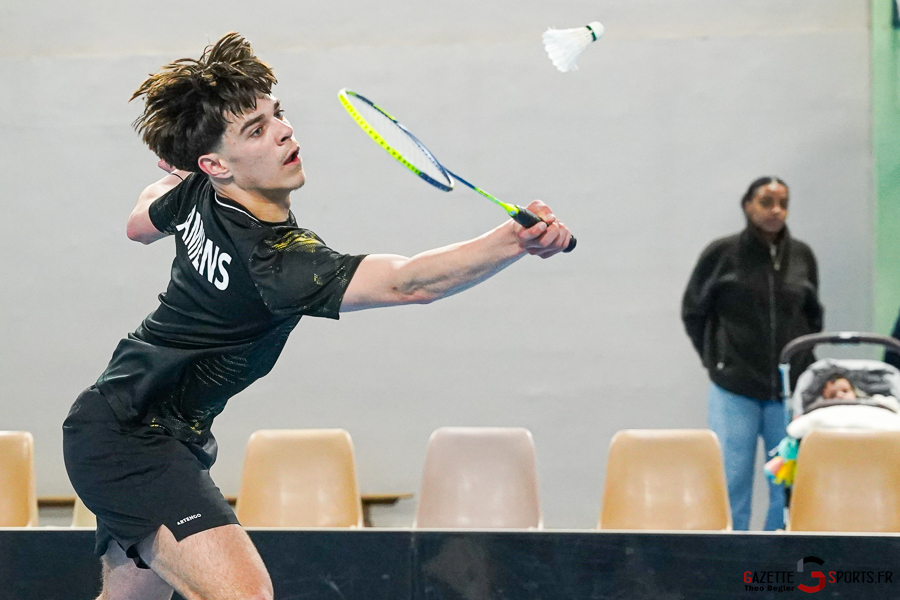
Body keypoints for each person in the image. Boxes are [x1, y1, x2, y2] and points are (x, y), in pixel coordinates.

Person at [62, 32, 572, 600]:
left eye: (276, 116)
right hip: (131, 437)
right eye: (256, 130)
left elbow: (137, 226)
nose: (283, 131)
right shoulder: (277, 260)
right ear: (217, 162)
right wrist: (513, 242)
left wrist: (178, 175)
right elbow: (409, 283)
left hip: (131, 422)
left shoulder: (200, 192)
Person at [681, 176, 823, 531]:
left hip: (787, 395)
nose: (776, 210)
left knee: (787, 485)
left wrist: (803, 367)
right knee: (732, 483)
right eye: (766, 201)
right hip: (735, 389)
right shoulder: (722, 254)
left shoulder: (802, 257)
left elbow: (812, 317)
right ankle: (733, 569)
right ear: (748, 205)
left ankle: (776, 564)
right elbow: (694, 312)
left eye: (783, 203)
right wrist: (717, 360)